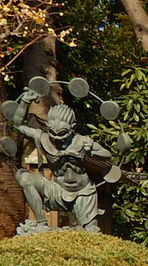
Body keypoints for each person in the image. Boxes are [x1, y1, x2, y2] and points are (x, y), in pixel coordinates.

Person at [11, 90, 113, 233]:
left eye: (62, 134)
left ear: (73, 128)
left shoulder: (81, 141)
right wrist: (25, 102)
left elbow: (107, 155)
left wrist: (90, 150)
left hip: (82, 193)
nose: (57, 138)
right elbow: (18, 125)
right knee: (24, 177)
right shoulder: (43, 138)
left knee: (91, 232)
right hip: (57, 191)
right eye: (53, 133)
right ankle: (41, 223)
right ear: (47, 128)